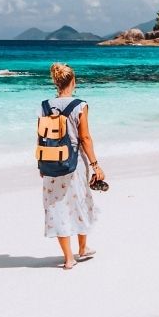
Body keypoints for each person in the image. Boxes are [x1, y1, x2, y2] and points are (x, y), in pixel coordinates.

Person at [41, 62, 105, 270]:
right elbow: (85, 138)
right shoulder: (80, 105)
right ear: (73, 81)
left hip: (50, 162)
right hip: (74, 163)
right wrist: (96, 166)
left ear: (56, 82)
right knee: (79, 202)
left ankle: (69, 258)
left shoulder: (44, 106)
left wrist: (41, 165)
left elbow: (41, 137)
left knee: (57, 206)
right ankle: (83, 248)